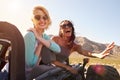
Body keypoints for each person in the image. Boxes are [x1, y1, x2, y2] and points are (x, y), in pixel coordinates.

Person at [24, 5, 61, 80]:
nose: (42, 20)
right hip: (22, 74)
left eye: (45, 17)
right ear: (33, 20)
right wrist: (40, 45)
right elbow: (31, 64)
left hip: (34, 73)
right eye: (37, 17)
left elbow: (58, 49)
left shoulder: (44, 36)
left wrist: (39, 38)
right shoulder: (30, 36)